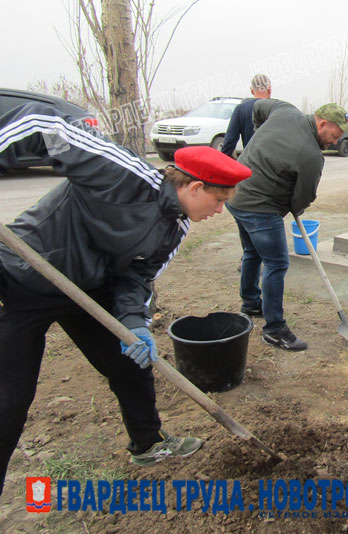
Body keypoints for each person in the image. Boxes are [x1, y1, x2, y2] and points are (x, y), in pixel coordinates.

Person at [0, 103, 252, 496]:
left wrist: (134, 321)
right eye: (219, 201)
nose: (220, 211)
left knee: (131, 365)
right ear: (195, 187)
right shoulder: (124, 175)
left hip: (89, 292)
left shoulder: (177, 226)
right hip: (25, 276)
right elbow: (44, 123)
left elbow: (138, 276)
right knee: (11, 396)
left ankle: (149, 444)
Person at [227, 99, 348, 351]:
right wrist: (288, 205)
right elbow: (301, 200)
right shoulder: (311, 156)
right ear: (322, 123)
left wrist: (258, 136)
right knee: (277, 262)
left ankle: (251, 303)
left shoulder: (284, 110)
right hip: (260, 207)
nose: (336, 141)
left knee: (252, 252)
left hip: (234, 194)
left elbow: (255, 108)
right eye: (335, 134)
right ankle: (274, 330)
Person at [220, 74, 271, 157]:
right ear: (269, 89)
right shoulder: (277, 110)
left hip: (251, 163)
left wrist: (222, 162)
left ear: (251, 90)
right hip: (274, 165)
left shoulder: (241, 109)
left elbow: (229, 141)